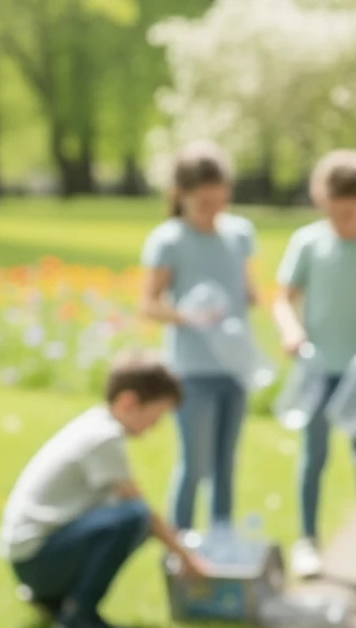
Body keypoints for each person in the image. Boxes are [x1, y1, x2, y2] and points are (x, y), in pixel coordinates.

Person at [0, 350, 209, 628]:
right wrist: (186, 558)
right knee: (134, 517)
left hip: (31, 557)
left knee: (129, 519)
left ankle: (58, 602)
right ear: (128, 402)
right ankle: (79, 615)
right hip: (36, 560)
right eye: (156, 416)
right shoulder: (103, 437)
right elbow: (142, 510)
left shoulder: (96, 424)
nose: (155, 426)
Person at [272, 149, 356, 578]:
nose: (345, 221)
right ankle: (308, 540)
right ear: (322, 201)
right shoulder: (308, 243)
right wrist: (291, 332)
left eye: (352, 212)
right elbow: (283, 300)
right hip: (317, 370)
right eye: (337, 212)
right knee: (313, 456)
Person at [140, 140, 259, 533]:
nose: (213, 209)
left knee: (226, 466)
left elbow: (248, 291)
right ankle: (183, 546)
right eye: (204, 202)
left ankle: (221, 541)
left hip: (235, 366)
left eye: (219, 200)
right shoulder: (169, 240)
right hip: (191, 370)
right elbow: (149, 303)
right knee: (194, 466)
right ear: (181, 195)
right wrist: (190, 316)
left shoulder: (240, 234)